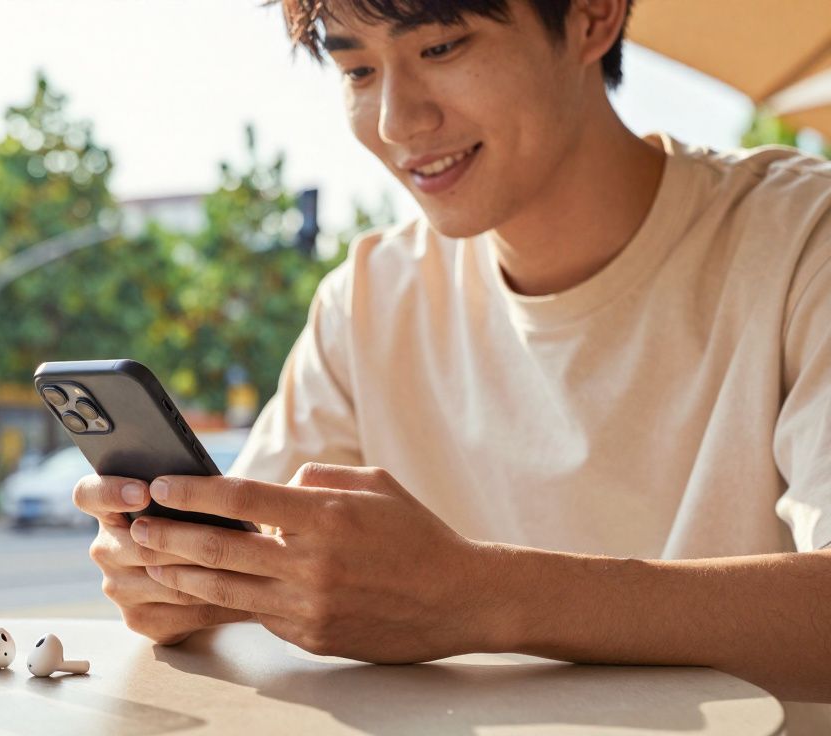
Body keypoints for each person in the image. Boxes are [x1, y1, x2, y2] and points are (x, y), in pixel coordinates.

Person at [73, 0, 831, 707]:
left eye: (440, 46)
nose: (398, 122)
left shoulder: (802, 240)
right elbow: (251, 569)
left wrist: (481, 595)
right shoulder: (368, 296)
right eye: (358, 71)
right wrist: (176, 573)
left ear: (593, 15)